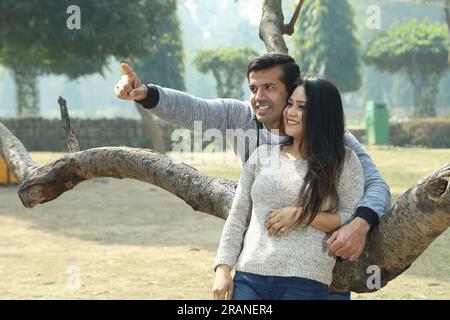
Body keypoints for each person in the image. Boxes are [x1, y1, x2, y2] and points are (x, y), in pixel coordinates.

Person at [114, 53, 391, 299]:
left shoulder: (332, 139)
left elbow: (376, 184)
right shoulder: (242, 118)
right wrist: (146, 93)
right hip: (257, 270)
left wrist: (360, 224)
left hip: (317, 273)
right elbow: (196, 109)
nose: (259, 97)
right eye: (254, 88)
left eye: (269, 87)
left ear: (293, 90)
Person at [213, 78, 364, 300]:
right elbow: (237, 217)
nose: (290, 112)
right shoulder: (261, 156)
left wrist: (301, 214)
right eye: (290, 104)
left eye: (301, 107)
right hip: (249, 276)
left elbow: (350, 219)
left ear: (322, 114)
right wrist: (223, 268)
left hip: (305, 281)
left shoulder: (344, 161)